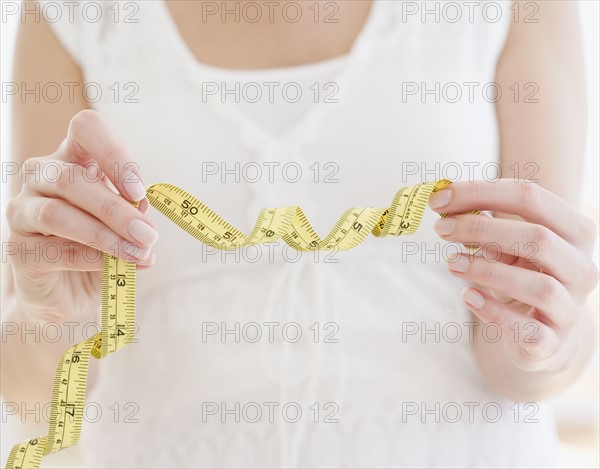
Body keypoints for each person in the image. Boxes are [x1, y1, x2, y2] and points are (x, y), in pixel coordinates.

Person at [2, 1, 598, 467]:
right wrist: (49, 318)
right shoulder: (72, 12)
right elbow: (34, 386)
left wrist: (550, 337)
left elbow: (519, 356)